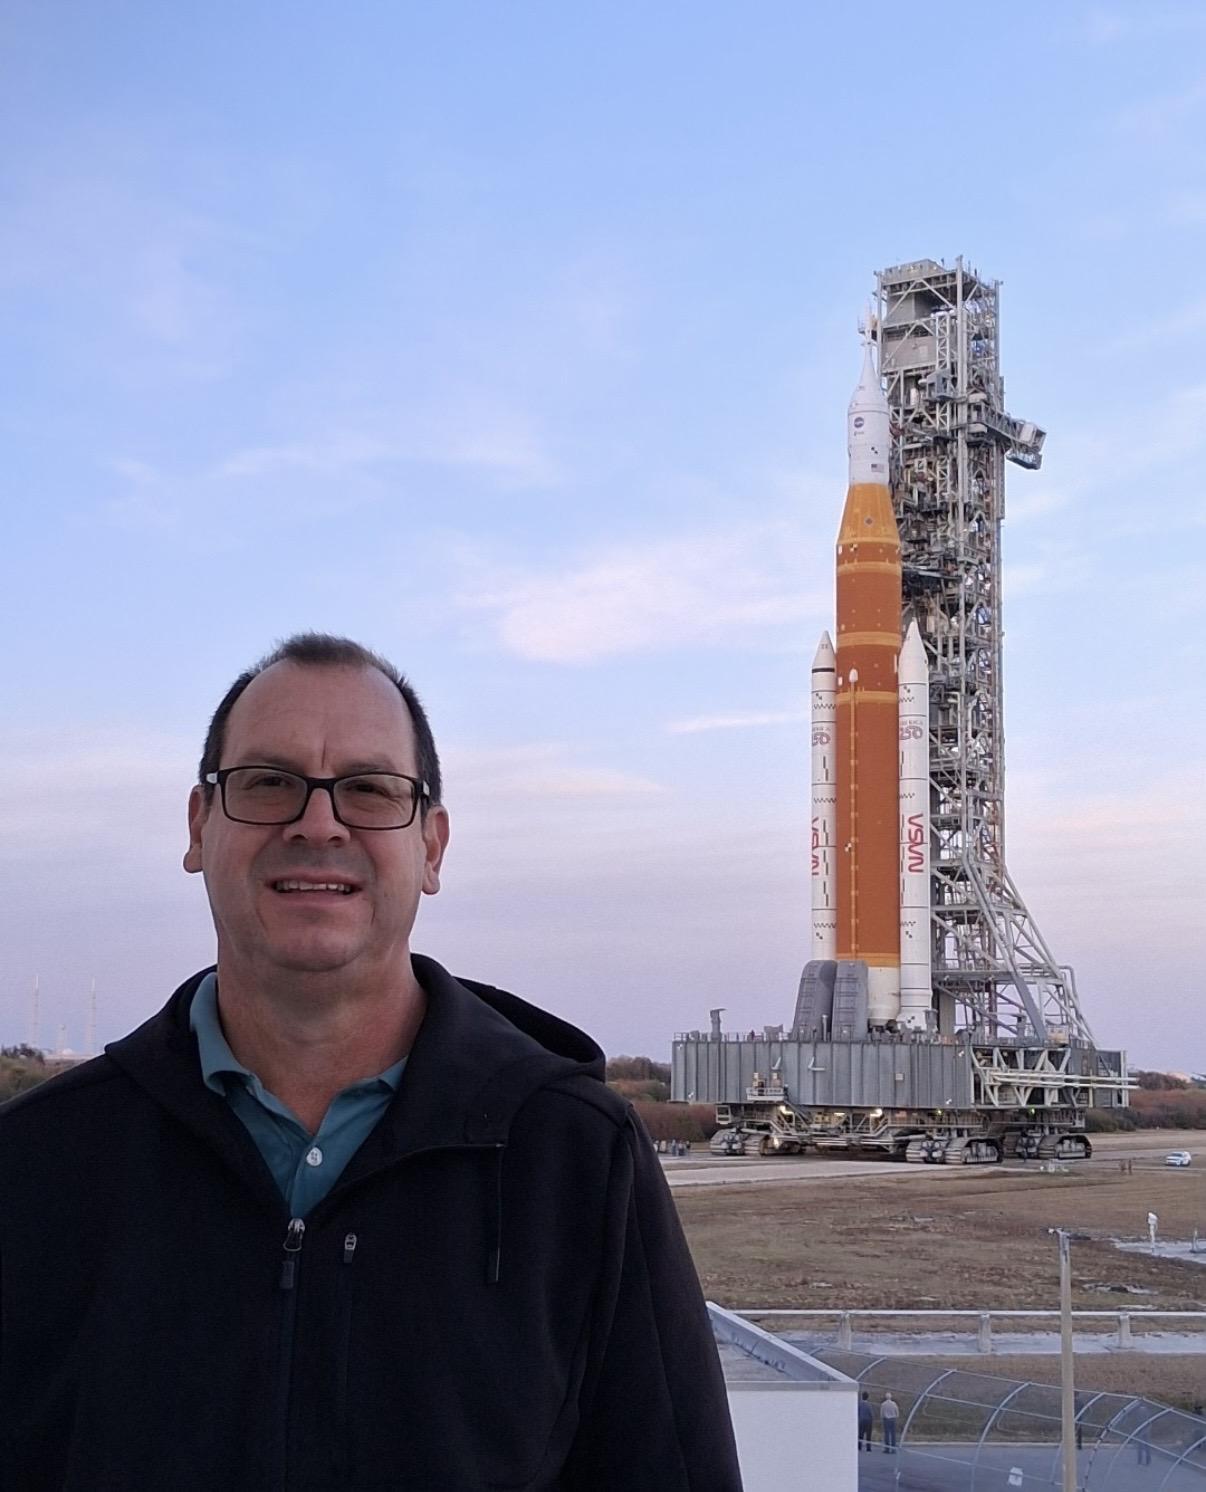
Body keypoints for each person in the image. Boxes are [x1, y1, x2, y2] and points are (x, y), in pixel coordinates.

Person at [0, 634, 742, 1491]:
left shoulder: (575, 1159)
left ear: (432, 846)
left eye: (369, 789)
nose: (319, 823)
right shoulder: (38, 1165)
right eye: (269, 782)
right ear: (200, 827)